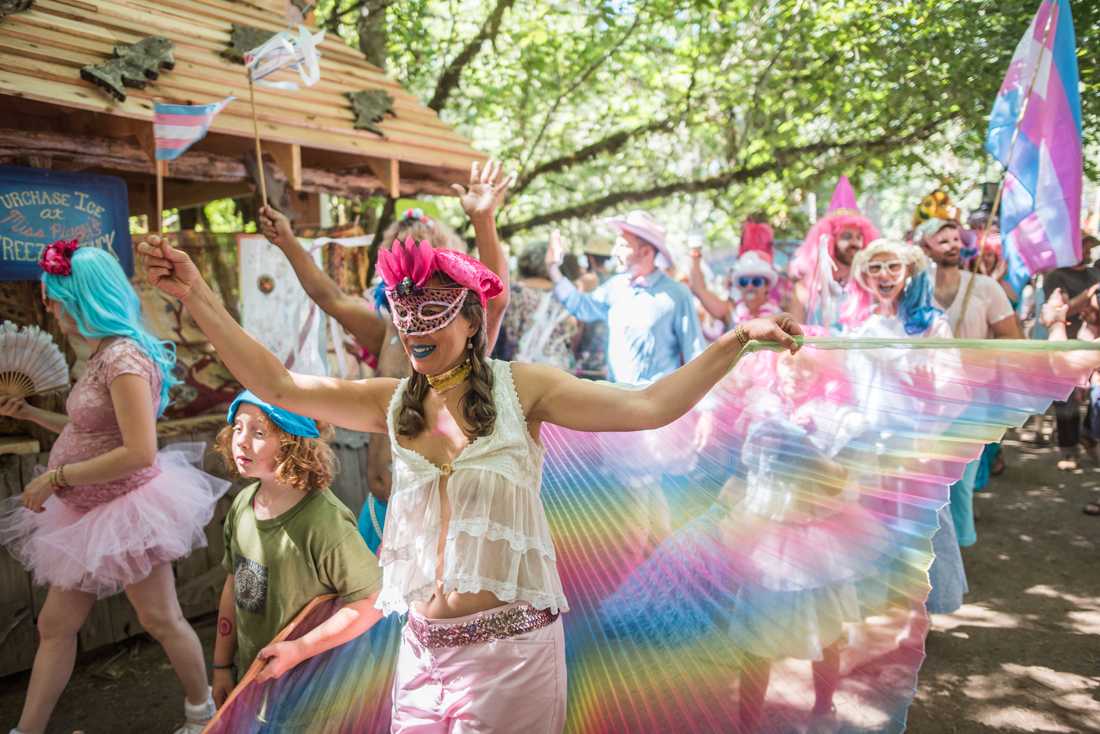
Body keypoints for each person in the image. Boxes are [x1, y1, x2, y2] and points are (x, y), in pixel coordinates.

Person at [136, 229, 801, 733]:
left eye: (432, 308)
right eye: (404, 307)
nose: (414, 323)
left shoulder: (524, 389)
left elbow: (650, 404)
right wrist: (196, 295)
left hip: (513, 657)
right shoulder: (391, 401)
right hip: (420, 653)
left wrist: (735, 340)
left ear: (469, 318)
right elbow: (277, 384)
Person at [0, 242, 230, 734]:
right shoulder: (103, 354)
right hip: (86, 515)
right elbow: (92, 429)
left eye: (58, 300)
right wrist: (34, 414)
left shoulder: (123, 359)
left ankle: (202, 714)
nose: (53, 311)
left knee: (161, 619)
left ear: (85, 300)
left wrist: (55, 476)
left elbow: (138, 452)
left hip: (125, 511)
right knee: (55, 627)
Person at [258, 160, 514, 549]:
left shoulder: (465, 337)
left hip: (437, 524)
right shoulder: (390, 332)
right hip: (379, 511)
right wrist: (288, 242)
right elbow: (332, 298)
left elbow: (494, 299)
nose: (414, 284)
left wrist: (484, 219)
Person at [209, 391, 382, 707]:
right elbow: (234, 586)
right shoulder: (242, 506)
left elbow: (370, 604)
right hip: (256, 685)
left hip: (317, 697)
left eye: (258, 432)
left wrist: (300, 648)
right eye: (237, 428)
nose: (241, 442)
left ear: (293, 443)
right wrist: (221, 665)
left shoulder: (324, 522)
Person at [919, 216, 1020, 549]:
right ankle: (930, 549)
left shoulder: (985, 287)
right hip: (924, 400)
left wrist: (976, 356)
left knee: (960, 479)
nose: (953, 245)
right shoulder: (914, 288)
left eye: (957, 239)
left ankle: (960, 547)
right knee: (926, 477)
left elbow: (1011, 338)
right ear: (924, 246)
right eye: (943, 239)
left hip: (973, 400)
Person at [545, 211, 705, 384]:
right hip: (617, 399)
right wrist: (553, 268)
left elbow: (696, 355)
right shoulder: (616, 286)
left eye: (622, 245)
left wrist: (700, 408)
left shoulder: (677, 294)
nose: (614, 252)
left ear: (645, 252)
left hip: (659, 405)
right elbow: (581, 307)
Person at [787, 176, 880, 326]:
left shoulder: (870, 283)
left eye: (859, 237)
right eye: (847, 236)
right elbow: (795, 335)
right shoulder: (805, 287)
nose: (855, 243)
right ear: (829, 240)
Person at [1041, 238, 1100, 470]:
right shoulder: (1056, 277)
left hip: (1081, 345)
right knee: (1066, 399)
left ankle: (1088, 436)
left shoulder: (1093, 273)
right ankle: (1069, 449)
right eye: (1083, 244)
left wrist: (1056, 323)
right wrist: (1087, 297)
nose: (1087, 249)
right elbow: (1061, 307)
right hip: (1071, 342)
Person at [497, 240, 579, 369]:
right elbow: (573, 336)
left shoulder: (510, 293)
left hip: (516, 372)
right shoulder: (566, 296)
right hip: (558, 373)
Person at [689, 249, 781, 328]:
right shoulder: (731, 311)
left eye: (756, 281)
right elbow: (699, 289)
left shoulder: (780, 316)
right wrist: (695, 254)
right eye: (743, 282)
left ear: (767, 285)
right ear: (739, 287)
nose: (749, 286)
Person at [572, 236, 614, 379]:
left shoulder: (586, 281)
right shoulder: (617, 281)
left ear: (590, 257)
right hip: (609, 351)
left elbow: (579, 317)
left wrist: (574, 346)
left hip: (587, 350)